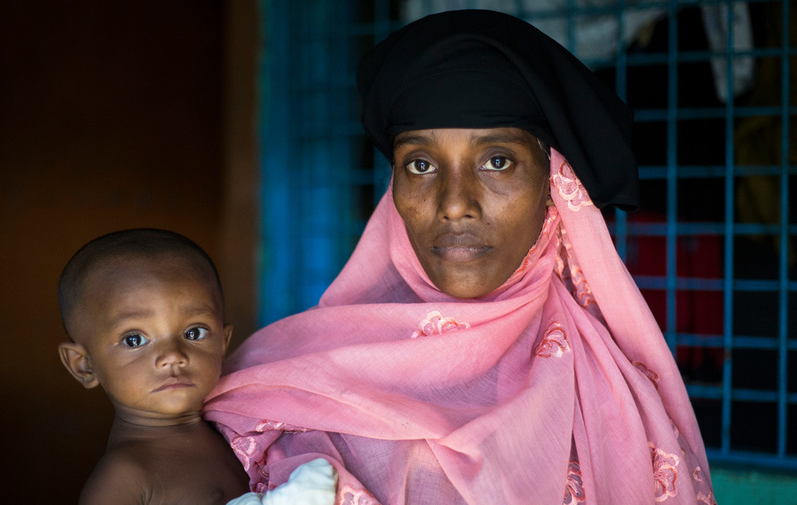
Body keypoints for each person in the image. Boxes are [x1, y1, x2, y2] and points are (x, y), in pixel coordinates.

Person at [205, 10, 715, 505]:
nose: (453, 204)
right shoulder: (275, 376)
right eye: (421, 164)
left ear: (553, 188)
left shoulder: (614, 397)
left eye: (498, 161)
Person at [57, 229, 249, 504]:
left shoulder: (240, 429)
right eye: (134, 340)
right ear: (84, 365)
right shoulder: (126, 476)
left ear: (222, 344)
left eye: (194, 333)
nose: (172, 355)